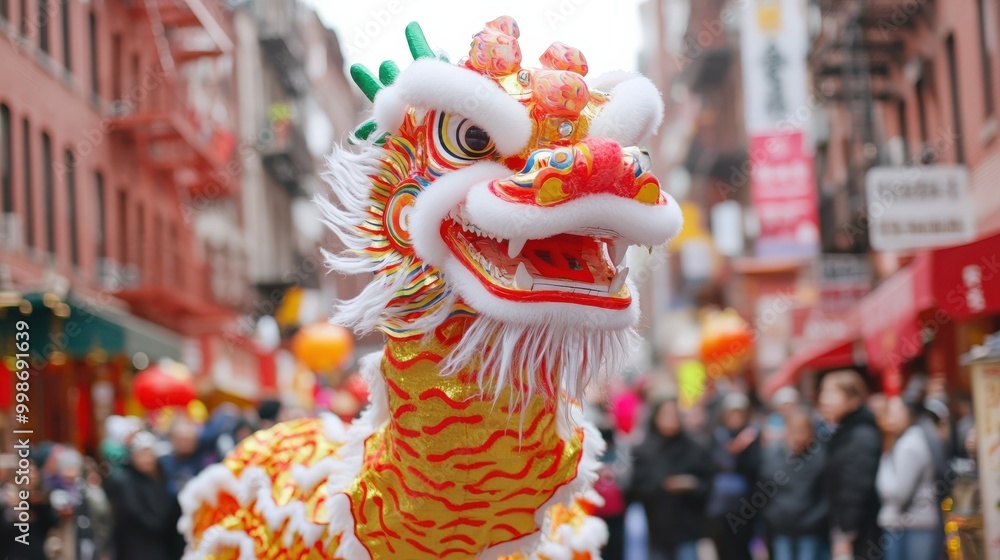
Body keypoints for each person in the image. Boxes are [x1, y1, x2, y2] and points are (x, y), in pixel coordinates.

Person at [629, 398, 713, 560]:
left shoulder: (695, 448)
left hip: (687, 526)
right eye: (666, 413)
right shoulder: (644, 450)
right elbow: (635, 488)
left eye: (674, 413)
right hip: (657, 527)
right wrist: (662, 485)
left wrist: (690, 485)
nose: (671, 418)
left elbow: (707, 482)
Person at [818, 370, 882, 560]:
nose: (824, 399)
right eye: (823, 392)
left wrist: (846, 533)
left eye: (832, 393)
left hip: (861, 533)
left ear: (854, 400)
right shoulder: (842, 432)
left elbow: (855, 488)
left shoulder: (861, 436)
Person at [876, 397, 943, 560]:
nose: (889, 417)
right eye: (888, 412)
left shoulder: (909, 445)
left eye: (895, 412)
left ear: (909, 415)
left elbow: (899, 492)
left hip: (912, 523)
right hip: (913, 522)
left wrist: (882, 476)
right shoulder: (908, 440)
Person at [760, 409, 829, 560]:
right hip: (781, 527)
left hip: (809, 528)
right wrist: (773, 516)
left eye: (802, 431)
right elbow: (764, 490)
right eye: (793, 430)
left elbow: (826, 494)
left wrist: (814, 519)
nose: (797, 436)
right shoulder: (773, 454)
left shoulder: (819, 458)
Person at [111, 431, 182, 560]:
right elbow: (134, 510)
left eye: (149, 454)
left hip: (161, 543)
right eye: (142, 454)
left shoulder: (161, 475)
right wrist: (159, 526)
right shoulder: (127, 479)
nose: (147, 459)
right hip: (137, 544)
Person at [707, 392, 761, 560]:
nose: (735, 417)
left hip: (745, 505)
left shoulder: (752, 437)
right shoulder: (717, 436)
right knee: (723, 549)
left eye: (739, 413)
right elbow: (711, 466)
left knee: (742, 549)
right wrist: (731, 451)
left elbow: (755, 469)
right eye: (732, 413)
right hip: (720, 507)